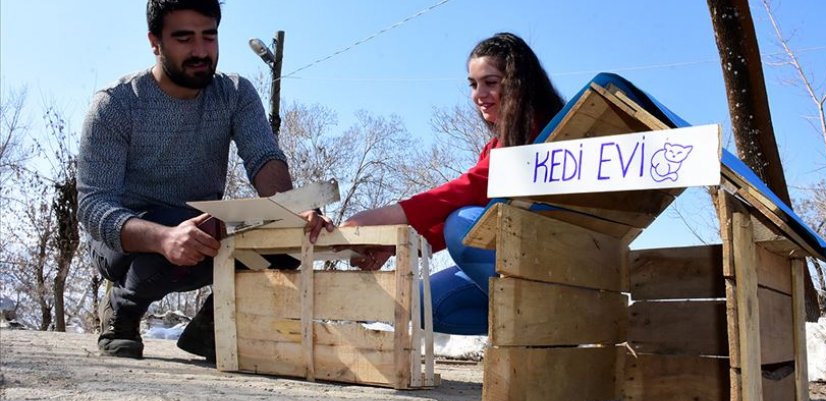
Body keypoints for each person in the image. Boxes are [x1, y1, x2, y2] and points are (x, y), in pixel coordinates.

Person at [77, 0, 331, 360]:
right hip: (124, 243)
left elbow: (264, 158)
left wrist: (293, 210)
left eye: (208, 37)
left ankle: (212, 326)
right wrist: (165, 238)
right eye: (183, 38)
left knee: (287, 237)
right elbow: (92, 206)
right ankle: (123, 308)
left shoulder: (235, 93)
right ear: (155, 41)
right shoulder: (115, 105)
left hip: (201, 227)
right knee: (185, 229)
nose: (200, 51)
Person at [342, 32, 564, 335]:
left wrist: (379, 217)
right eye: (473, 85)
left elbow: (470, 189)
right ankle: (532, 328)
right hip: (511, 264)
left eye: (491, 82)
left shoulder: (549, 129)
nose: (478, 94)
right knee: (416, 302)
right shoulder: (495, 146)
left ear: (518, 83)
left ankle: (551, 314)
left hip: (553, 263)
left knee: (462, 224)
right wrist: (394, 245)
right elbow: (470, 203)